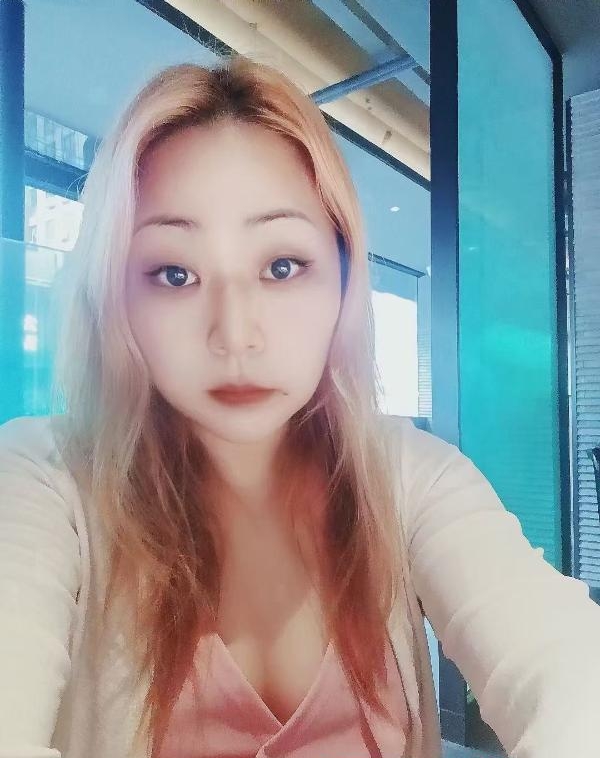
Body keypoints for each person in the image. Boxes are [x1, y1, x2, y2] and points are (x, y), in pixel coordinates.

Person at [1, 56, 599, 758]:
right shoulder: (45, 481)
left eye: (281, 266)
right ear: (115, 297)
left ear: (342, 282)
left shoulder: (410, 478)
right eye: (174, 273)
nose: (235, 334)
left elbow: (565, 669)